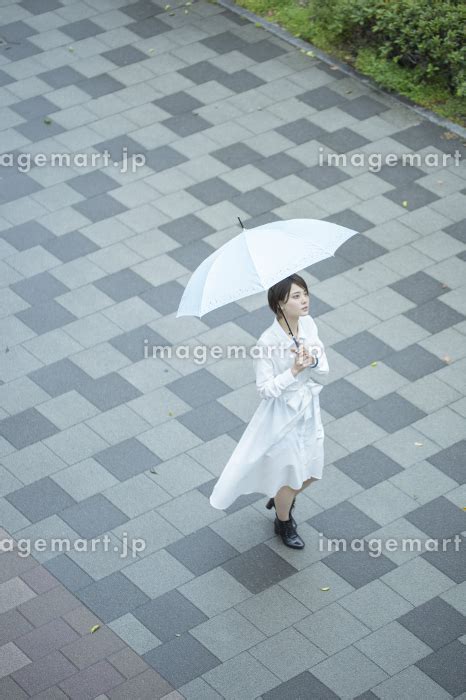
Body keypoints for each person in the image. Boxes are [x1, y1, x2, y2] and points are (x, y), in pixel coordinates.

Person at [209, 273, 329, 549]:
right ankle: (283, 521)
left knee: (312, 471)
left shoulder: (308, 324)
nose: (305, 300)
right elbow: (265, 390)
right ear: (279, 305)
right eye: (296, 296)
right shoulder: (266, 343)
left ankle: (280, 496)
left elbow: (323, 368)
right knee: (291, 475)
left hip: (308, 411)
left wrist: (313, 360)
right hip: (282, 418)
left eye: (305, 293)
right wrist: (294, 370)